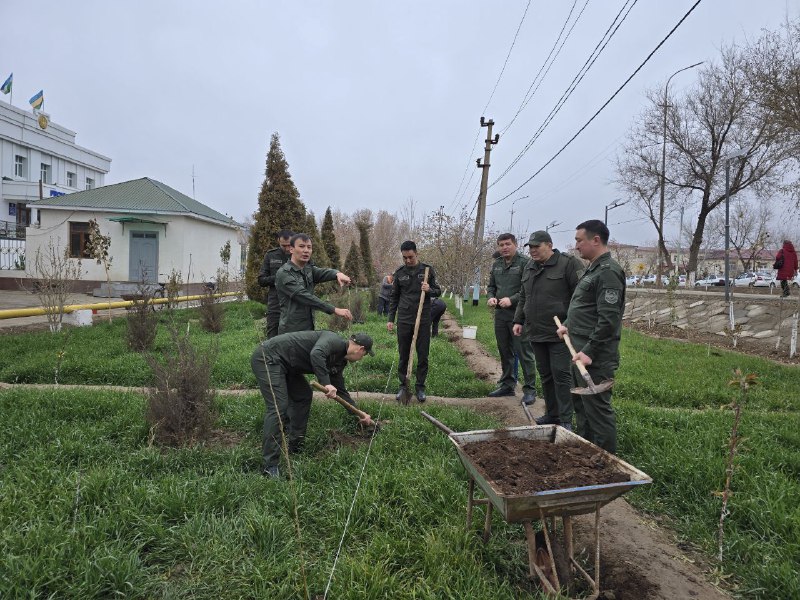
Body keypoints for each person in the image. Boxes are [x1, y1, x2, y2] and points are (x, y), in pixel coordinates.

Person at [251, 330, 375, 478]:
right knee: (278, 407)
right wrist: (326, 383)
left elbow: (341, 392)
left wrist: (359, 414)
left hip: (287, 365)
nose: (362, 358)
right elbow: (316, 354)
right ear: (361, 349)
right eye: (365, 354)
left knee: (303, 395)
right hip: (268, 357)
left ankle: (295, 444)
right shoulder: (333, 340)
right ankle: (269, 466)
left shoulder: (340, 361)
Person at [555, 219, 625, 454]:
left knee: (597, 409)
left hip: (594, 356)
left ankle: (607, 461)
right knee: (582, 407)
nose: (576, 247)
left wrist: (590, 352)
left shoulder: (608, 272)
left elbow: (608, 319)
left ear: (596, 240)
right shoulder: (592, 269)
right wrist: (567, 325)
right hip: (578, 350)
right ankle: (585, 453)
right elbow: (585, 308)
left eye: (579, 241)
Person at [513, 230, 584, 429]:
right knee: (545, 374)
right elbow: (524, 296)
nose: (533, 250)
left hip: (560, 332)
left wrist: (570, 322)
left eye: (537, 246)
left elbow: (580, 298)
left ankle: (565, 419)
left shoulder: (568, 264)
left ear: (549, 245)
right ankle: (552, 414)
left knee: (561, 375)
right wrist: (518, 320)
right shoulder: (529, 267)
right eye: (531, 247)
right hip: (536, 331)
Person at [486, 233, 537, 403]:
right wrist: (491, 297)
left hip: (519, 315)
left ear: (515, 244)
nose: (504, 247)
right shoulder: (497, 264)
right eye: (501, 245)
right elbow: (491, 286)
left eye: (507, 244)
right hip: (500, 315)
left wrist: (512, 300)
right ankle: (507, 385)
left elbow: (529, 289)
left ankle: (530, 389)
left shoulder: (525, 263)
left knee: (523, 352)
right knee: (505, 350)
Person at [387, 241, 441, 402]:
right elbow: (394, 297)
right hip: (404, 318)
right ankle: (403, 386)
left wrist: (429, 290)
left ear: (416, 253)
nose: (408, 260)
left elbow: (438, 290)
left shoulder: (427, 271)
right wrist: (391, 319)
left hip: (423, 318)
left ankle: (420, 387)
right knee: (404, 354)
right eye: (405, 258)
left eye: (410, 257)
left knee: (423, 354)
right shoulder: (399, 273)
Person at [275, 233, 352, 335]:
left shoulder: (308, 269)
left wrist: (338, 273)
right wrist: (334, 309)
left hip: (308, 327)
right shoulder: (284, 273)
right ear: (291, 249)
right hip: (291, 331)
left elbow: (323, 272)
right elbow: (304, 296)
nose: (306, 250)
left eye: (309, 247)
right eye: (301, 246)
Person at [257, 229, 293, 338]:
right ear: (278, 241)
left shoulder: (299, 255)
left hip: (294, 302)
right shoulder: (271, 255)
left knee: (292, 338)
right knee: (272, 336)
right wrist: (279, 277)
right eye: (283, 245)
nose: (287, 248)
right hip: (275, 303)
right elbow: (261, 280)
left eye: (289, 245)